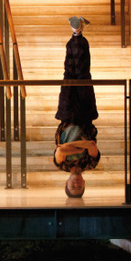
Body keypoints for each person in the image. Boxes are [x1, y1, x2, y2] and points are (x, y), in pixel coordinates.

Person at [53, 16, 100, 197]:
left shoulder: (61, 164)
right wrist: (81, 146)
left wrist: (78, 147)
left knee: (69, 72)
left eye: (73, 186)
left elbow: (62, 150)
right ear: (84, 184)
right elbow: (90, 144)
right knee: (83, 73)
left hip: (66, 114)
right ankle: (78, 33)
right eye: (80, 187)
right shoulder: (91, 163)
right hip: (86, 113)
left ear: (67, 182)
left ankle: (75, 34)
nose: (77, 183)